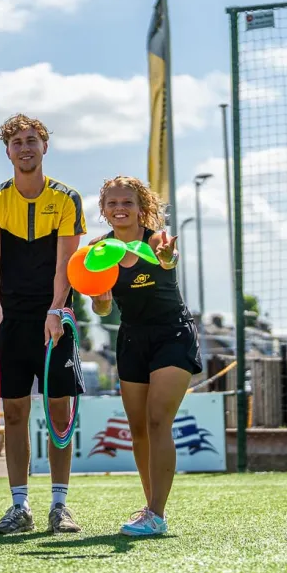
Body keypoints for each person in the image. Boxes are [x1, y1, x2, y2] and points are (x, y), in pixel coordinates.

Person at [0, 113, 85, 535]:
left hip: (53, 317)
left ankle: (60, 506)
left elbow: (65, 262)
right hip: (11, 319)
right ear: (7, 151)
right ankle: (19, 506)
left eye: (32, 140)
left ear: (45, 146)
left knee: (59, 411)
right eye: (17, 142)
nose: (25, 148)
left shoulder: (66, 198)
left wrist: (56, 309)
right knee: (15, 411)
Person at [89, 176, 200, 537]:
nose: (120, 209)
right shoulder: (98, 249)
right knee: (137, 429)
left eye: (127, 203)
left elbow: (168, 260)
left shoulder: (156, 239)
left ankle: (156, 512)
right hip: (131, 338)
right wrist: (101, 300)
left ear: (141, 208)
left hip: (172, 334)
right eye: (112, 204)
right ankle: (151, 509)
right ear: (104, 210)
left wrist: (168, 259)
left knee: (157, 422)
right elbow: (102, 308)